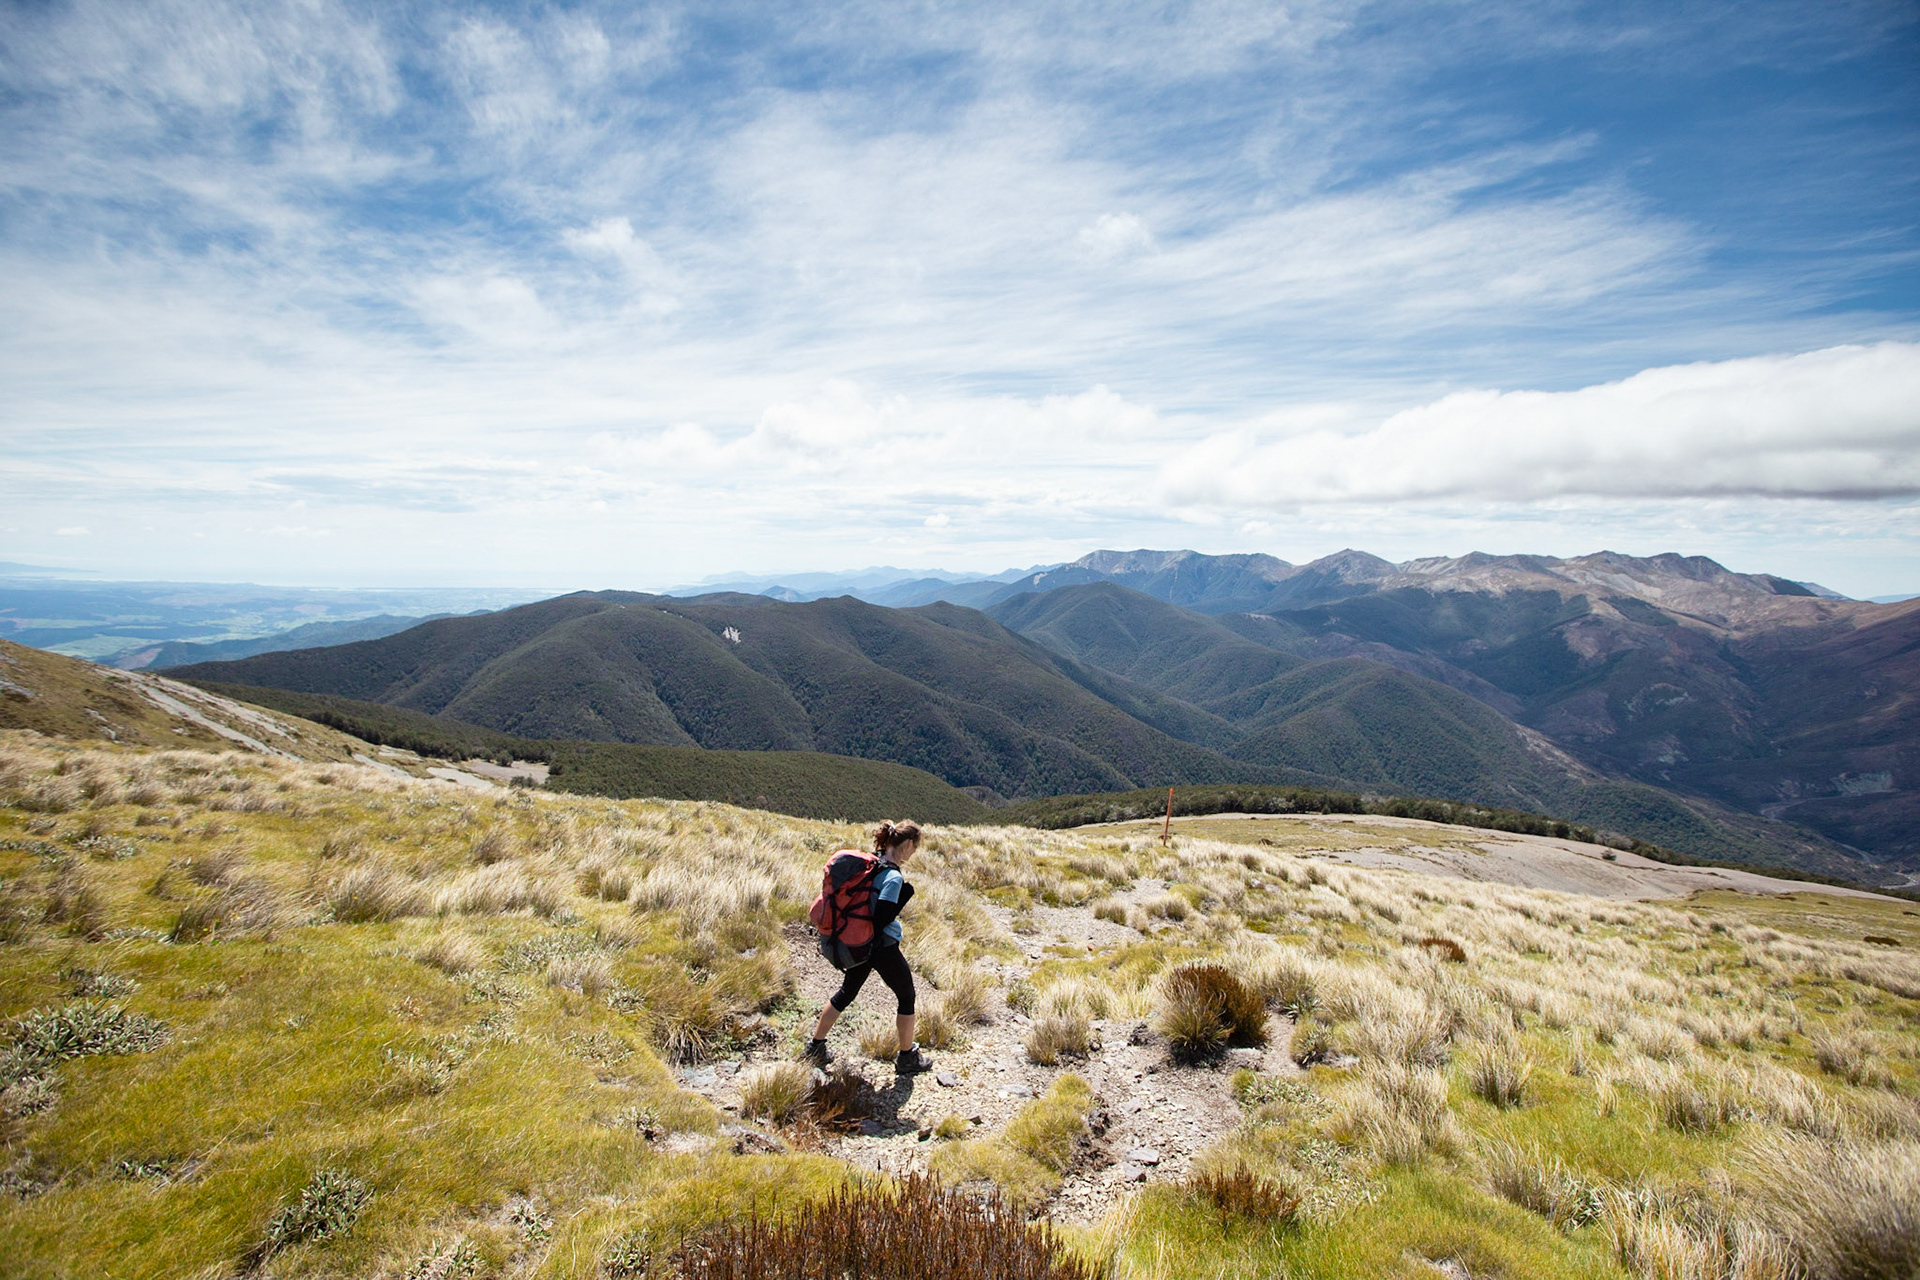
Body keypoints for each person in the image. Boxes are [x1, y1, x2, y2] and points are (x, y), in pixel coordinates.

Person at [805, 819, 933, 1074]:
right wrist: (903, 898)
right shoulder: (893, 876)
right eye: (915, 848)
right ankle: (907, 1057)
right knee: (907, 996)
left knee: (846, 993)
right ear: (908, 844)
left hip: (858, 942)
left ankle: (815, 1046)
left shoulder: (871, 864)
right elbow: (881, 918)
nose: (914, 853)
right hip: (881, 947)